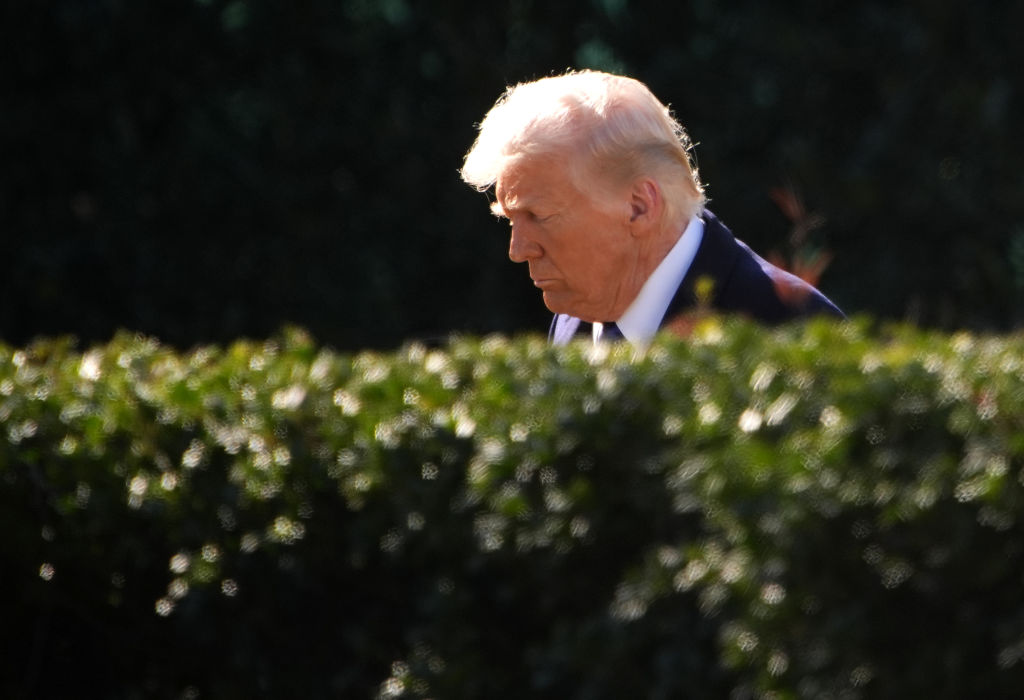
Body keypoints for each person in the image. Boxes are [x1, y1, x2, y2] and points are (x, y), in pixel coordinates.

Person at [460, 69, 843, 346]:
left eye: (538, 216)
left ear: (640, 207)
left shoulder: (790, 330)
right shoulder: (578, 312)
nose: (518, 250)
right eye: (510, 219)